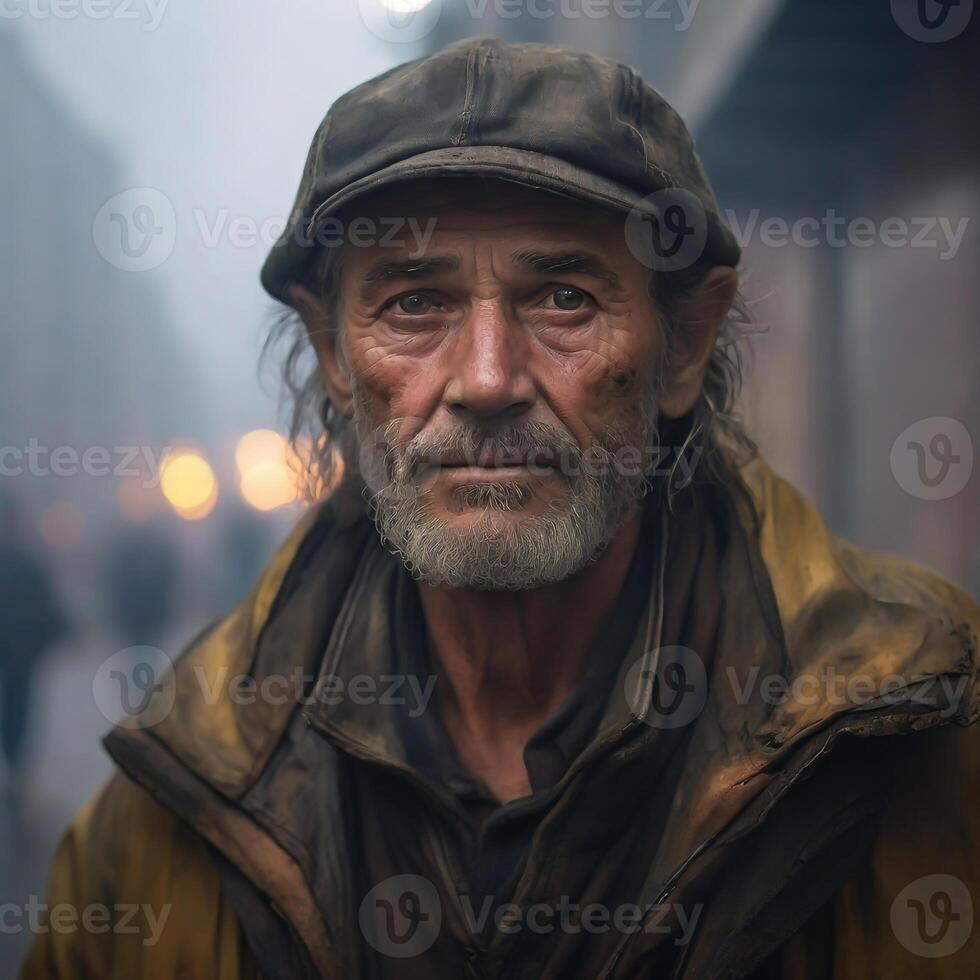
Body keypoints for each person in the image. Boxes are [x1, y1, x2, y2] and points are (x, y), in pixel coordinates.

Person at [22, 39, 978, 979]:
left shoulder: (931, 735)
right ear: (333, 356)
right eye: (413, 304)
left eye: (563, 297)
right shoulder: (175, 807)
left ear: (682, 345)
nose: (486, 380)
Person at [0, 496, 68, 795]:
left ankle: (15, 762)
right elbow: (46, 605)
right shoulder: (29, 561)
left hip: (19, 653)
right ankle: (15, 763)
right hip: (21, 655)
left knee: (18, 706)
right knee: (19, 707)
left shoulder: (28, 561)